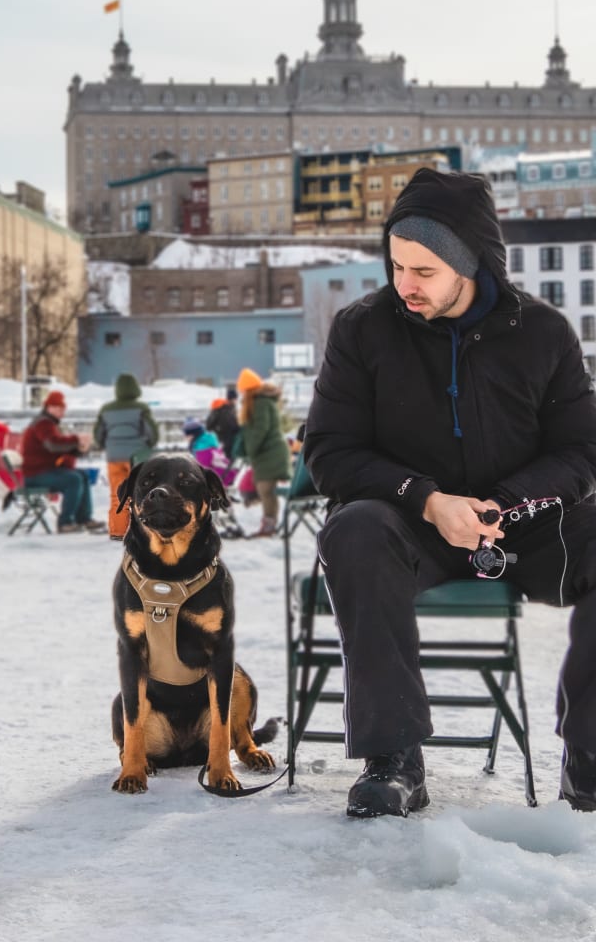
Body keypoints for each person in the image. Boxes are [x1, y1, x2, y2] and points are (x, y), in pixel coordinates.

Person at [303, 167, 596, 819]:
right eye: (397, 263)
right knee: (354, 531)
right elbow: (330, 450)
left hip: (521, 528)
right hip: (408, 525)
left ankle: (590, 758)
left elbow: (581, 451)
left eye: (425, 270)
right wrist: (428, 499)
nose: (404, 283)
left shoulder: (545, 333)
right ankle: (395, 759)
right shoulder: (362, 329)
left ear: (471, 263)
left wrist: (509, 502)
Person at [21, 390, 103, 534]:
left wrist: (78, 449)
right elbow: (53, 445)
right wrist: (77, 440)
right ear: (48, 408)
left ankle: (84, 518)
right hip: (36, 474)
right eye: (57, 408)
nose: (60, 412)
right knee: (73, 479)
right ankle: (65, 522)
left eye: (62, 409)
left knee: (82, 475)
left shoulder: (49, 424)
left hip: (45, 471)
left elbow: (59, 448)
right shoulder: (43, 423)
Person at [92, 373, 159, 539]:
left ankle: (118, 531)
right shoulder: (141, 408)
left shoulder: (106, 410)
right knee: (143, 493)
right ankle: (146, 531)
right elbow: (152, 432)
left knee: (117, 495)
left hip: (114, 457)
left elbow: (98, 434)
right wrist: (149, 445)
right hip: (137, 457)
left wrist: (105, 446)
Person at [233, 367, 290, 537]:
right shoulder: (262, 400)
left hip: (269, 453)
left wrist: (250, 449)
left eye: (244, 392)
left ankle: (268, 526)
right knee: (267, 490)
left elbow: (260, 429)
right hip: (269, 453)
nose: (243, 396)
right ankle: (270, 524)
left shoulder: (259, 402)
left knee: (265, 490)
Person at [206, 388, 240, 458]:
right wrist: (218, 430)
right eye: (235, 399)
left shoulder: (232, 408)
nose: (236, 401)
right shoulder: (220, 409)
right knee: (227, 457)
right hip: (223, 438)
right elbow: (209, 425)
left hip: (231, 437)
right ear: (231, 398)